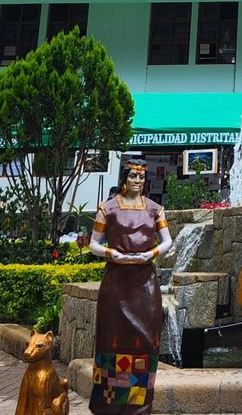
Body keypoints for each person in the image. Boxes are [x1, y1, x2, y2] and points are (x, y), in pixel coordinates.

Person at [88, 158, 173, 414]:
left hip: (144, 285)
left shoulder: (156, 209)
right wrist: (111, 253)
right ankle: (109, 405)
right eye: (133, 176)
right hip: (116, 284)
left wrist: (152, 253)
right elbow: (94, 243)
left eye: (141, 177)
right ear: (124, 178)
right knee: (111, 341)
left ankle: (140, 406)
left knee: (144, 343)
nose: (137, 181)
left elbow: (167, 241)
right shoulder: (108, 208)